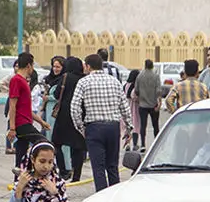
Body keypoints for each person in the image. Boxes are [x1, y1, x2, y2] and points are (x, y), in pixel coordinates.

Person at [71, 54, 132, 191]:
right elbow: (125, 107)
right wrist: (128, 128)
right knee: (112, 166)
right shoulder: (114, 81)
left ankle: (101, 196)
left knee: (98, 168)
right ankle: (114, 195)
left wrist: (81, 128)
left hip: (94, 127)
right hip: (113, 127)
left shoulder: (83, 82)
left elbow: (74, 108)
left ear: (87, 66)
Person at [7, 53, 48, 170]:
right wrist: (12, 128)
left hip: (26, 121)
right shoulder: (16, 80)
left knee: (21, 155)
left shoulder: (23, 81)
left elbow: (26, 109)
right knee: (43, 143)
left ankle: (19, 181)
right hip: (21, 124)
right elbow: (12, 105)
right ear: (29, 65)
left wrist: (41, 122)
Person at [51, 57, 87, 182]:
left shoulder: (65, 77)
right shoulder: (84, 79)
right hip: (79, 115)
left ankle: (63, 171)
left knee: (56, 143)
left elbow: (56, 95)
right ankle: (76, 176)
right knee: (77, 147)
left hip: (63, 116)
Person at [133, 60, 162, 150]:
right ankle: (156, 143)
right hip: (153, 105)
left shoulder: (140, 76)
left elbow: (136, 90)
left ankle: (143, 144)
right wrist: (159, 102)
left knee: (143, 125)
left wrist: (140, 96)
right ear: (152, 66)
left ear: (145, 66)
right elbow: (158, 91)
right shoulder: (156, 76)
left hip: (143, 105)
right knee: (155, 125)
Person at [42, 57, 65, 123]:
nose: (55, 69)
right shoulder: (49, 78)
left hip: (55, 109)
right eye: (54, 66)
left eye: (58, 67)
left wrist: (48, 97)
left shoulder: (63, 79)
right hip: (46, 108)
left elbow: (59, 95)